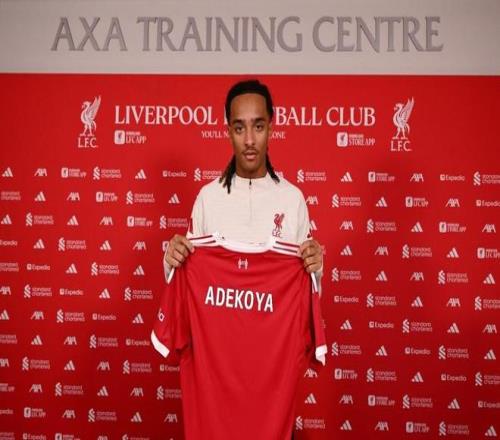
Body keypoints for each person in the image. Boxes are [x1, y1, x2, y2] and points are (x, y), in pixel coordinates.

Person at [163, 79, 323, 283]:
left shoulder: (293, 199)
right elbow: (190, 281)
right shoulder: (208, 197)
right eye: (239, 129)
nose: (249, 140)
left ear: (270, 129)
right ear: (229, 132)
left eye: (258, 127)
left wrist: (316, 267)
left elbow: (307, 287)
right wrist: (171, 261)